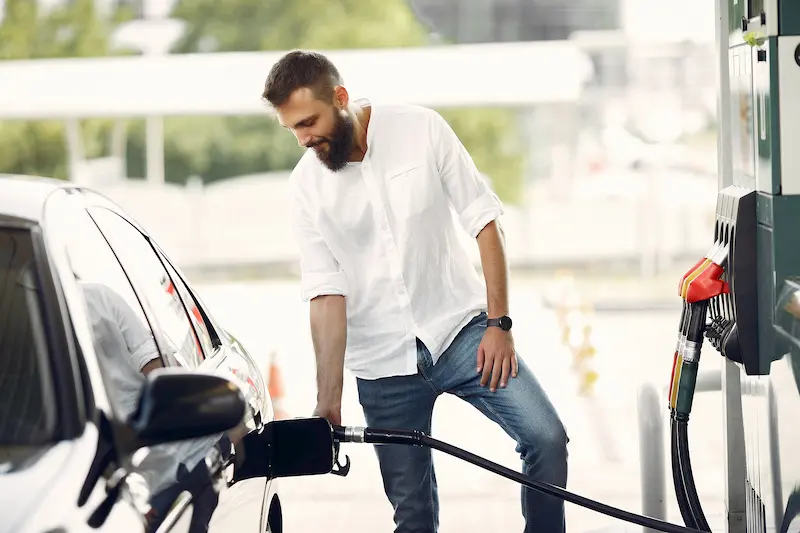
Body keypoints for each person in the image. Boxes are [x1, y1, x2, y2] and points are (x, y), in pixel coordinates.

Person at [262, 50, 569, 533]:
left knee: (546, 438)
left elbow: (485, 223)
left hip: (463, 334)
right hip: (382, 364)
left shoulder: (421, 129)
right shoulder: (306, 188)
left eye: (308, 121)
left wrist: (499, 324)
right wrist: (328, 398)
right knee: (414, 517)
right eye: (292, 130)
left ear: (340, 98)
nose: (303, 139)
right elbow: (325, 293)